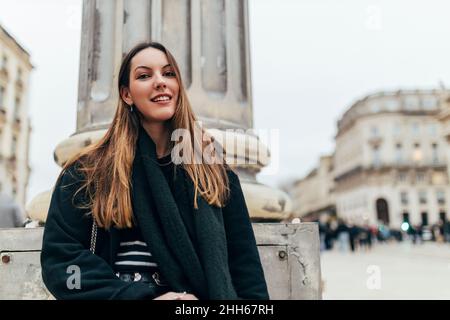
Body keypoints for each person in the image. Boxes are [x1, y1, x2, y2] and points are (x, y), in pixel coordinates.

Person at [40, 42, 269, 300]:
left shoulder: (213, 171)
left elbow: (245, 265)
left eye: (169, 73)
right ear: (127, 94)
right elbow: (62, 261)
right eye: (144, 76)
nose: (160, 82)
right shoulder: (89, 172)